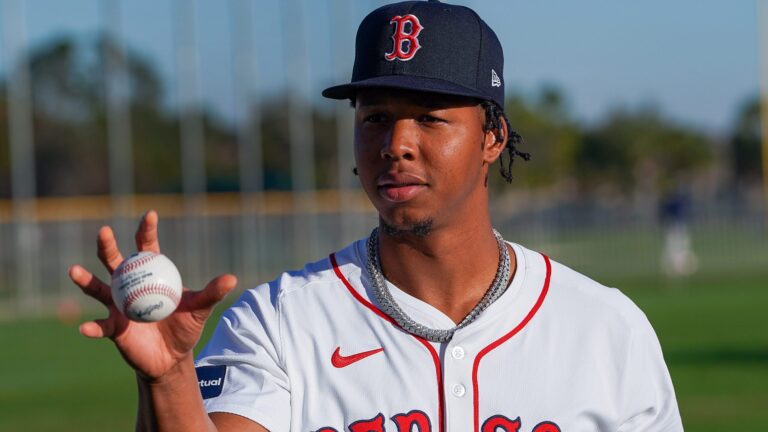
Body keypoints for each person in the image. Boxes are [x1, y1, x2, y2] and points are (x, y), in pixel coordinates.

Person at [70, 1, 683, 431]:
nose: (396, 142)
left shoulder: (605, 330)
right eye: (375, 117)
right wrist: (170, 377)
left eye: (429, 116)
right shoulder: (280, 323)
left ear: (493, 137)